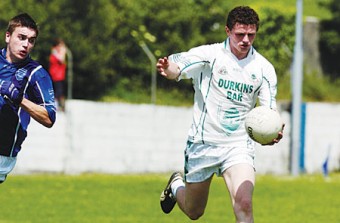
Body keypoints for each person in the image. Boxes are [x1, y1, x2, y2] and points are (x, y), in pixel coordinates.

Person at [157, 6, 284, 222]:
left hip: (238, 145)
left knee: (244, 204)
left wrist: (272, 132)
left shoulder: (264, 69)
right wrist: (168, 69)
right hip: (203, 143)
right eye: (240, 34)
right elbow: (177, 68)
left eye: (251, 35)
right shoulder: (210, 55)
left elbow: (268, 111)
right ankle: (176, 185)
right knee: (194, 211)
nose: (246, 40)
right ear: (227, 31)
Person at [0, 13, 56, 183]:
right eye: (22, 37)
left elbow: (49, 118)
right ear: (8, 36)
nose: (26, 44)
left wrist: (20, 99)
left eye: (31, 40)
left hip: (2, 152)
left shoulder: (36, 74)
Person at [49, 38, 67, 111]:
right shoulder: (54, 51)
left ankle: (60, 105)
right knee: (55, 90)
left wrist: (61, 51)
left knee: (59, 91)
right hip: (53, 74)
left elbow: (61, 60)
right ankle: (57, 105)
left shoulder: (59, 52)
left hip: (59, 76)